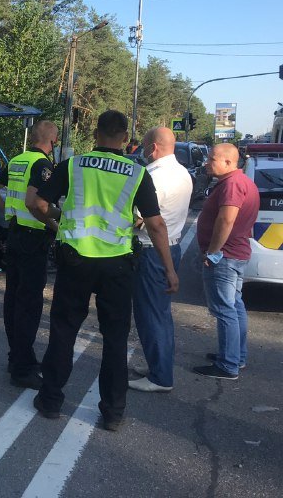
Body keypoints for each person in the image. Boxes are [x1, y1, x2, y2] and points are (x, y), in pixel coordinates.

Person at [29, 110, 179, 431]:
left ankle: (51, 400)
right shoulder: (137, 173)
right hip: (118, 266)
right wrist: (169, 269)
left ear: (96, 135)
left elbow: (38, 205)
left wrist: (59, 221)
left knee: (64, 331)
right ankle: (113, 412)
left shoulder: (73, 165)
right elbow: (155, 224)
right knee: (114, 339)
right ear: (125, 139)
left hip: (75, 261)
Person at [0, 120, 59, 389]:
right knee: (29, 304)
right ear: (51, 141)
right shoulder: (42, 165)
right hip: (32, 239)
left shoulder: (17, 160)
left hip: (14, 234)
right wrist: (56, 227)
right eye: (56, 141)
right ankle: (23, 369)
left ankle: (17, 356)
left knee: (13, 299)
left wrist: (9, 212)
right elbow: (36, 203)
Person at [129, 127, 192, 392]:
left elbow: (145, 221)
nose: (142, 151)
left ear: (153, 147)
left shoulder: (152, 176)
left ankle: (160, 377)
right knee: (161, 314)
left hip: (153, 251)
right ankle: (159, 365)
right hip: (171, 247)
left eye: (144, 146)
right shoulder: (182, 173)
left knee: (150, 315)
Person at [194, 142, 259, 379]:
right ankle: (236, 356)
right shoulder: (243, 182)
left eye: (211, 159)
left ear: (229, 162)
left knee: (224, 310)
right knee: (235, 307)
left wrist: (212, 252)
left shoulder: (231, 185)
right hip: (236, 254)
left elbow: (226, 220)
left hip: (226, 257)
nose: (206, 162)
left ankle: (228, 364)